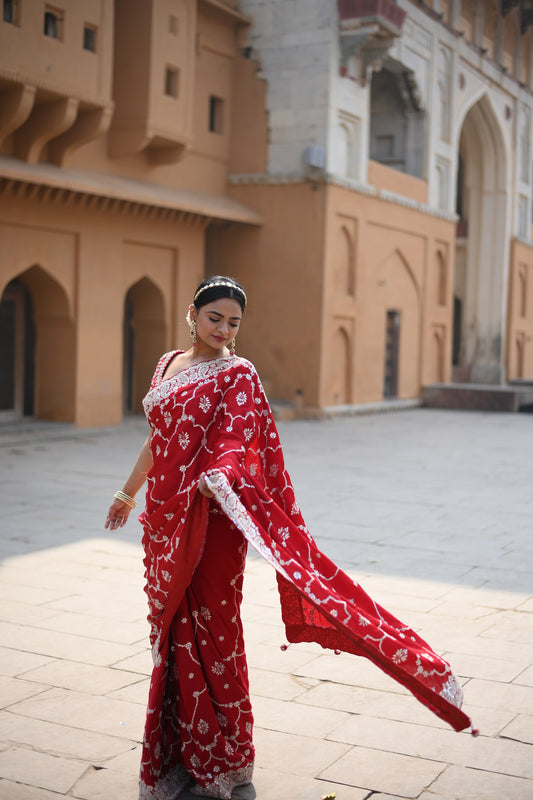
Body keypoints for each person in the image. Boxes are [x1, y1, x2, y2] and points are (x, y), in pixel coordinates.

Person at [105, 276, 473, 800]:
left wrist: (220, 474)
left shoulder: (239, 374)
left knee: (216, 632)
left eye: (234, 323)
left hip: (211, 520)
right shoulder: (167, 365)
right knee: (173, 636)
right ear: (193, 313)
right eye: (215, 319)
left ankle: (224, 760)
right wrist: (126, 494)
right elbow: (156, 439)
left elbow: (237, 437)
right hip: (166, 519)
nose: (224, 330)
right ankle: (177, 755)